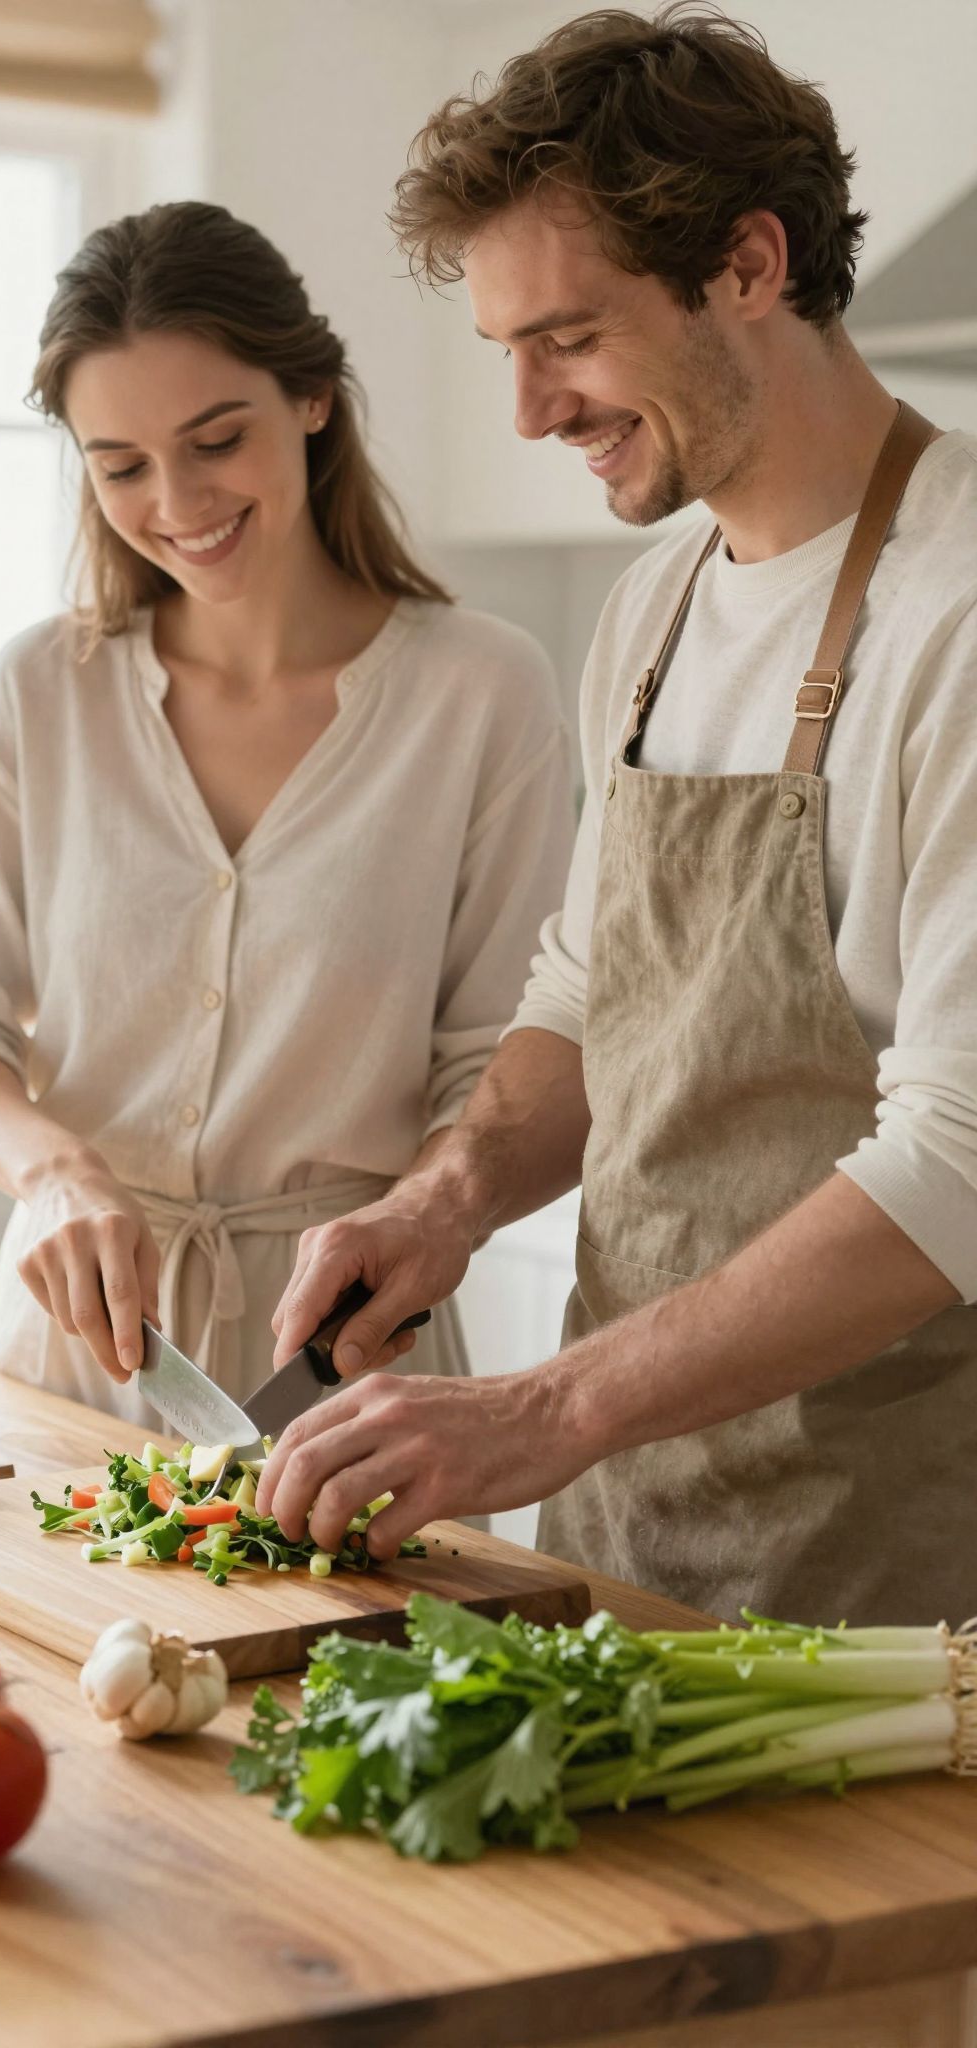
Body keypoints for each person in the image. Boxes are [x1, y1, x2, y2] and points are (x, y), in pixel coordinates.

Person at [258, 5, 977, 1626]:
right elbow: (593, 996)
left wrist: (538, 1404)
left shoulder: (960, 614)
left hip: (890, 1599)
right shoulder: (655, 608)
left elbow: (960, 1166)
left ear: (746, 262)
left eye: (566, 336)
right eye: (504, 347)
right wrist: (443, 1202)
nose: (527, 410)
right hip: (621, 1533)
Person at [0, 201, 573, 1426]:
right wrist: (51, 1172)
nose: (177, 500)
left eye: (215, 439)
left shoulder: (482, 690)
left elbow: (501, 1057)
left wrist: (418, 1217)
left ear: (311, 397)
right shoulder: (46, 688)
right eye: (121, 465)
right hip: (66, 1360)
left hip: (351, 1360)